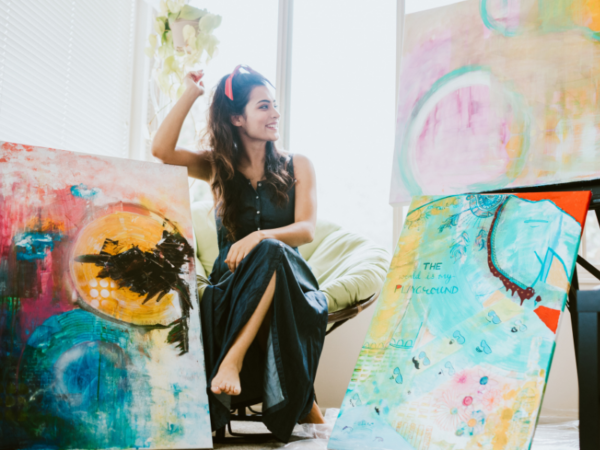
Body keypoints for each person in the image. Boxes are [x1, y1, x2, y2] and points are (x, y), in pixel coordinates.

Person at [151, 65, 328, 442]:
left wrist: (259, 237)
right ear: (237, 118)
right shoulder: (218, 166)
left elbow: (306, 229)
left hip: (291, 284)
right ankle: (303, 402)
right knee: (268, 254)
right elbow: (162, 150)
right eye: (264, 106)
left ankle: (232, 360)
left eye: (275, 105)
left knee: (274, 251)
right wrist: (190, 93)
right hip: (233, 285)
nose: (275, 113)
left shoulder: (299, 165)